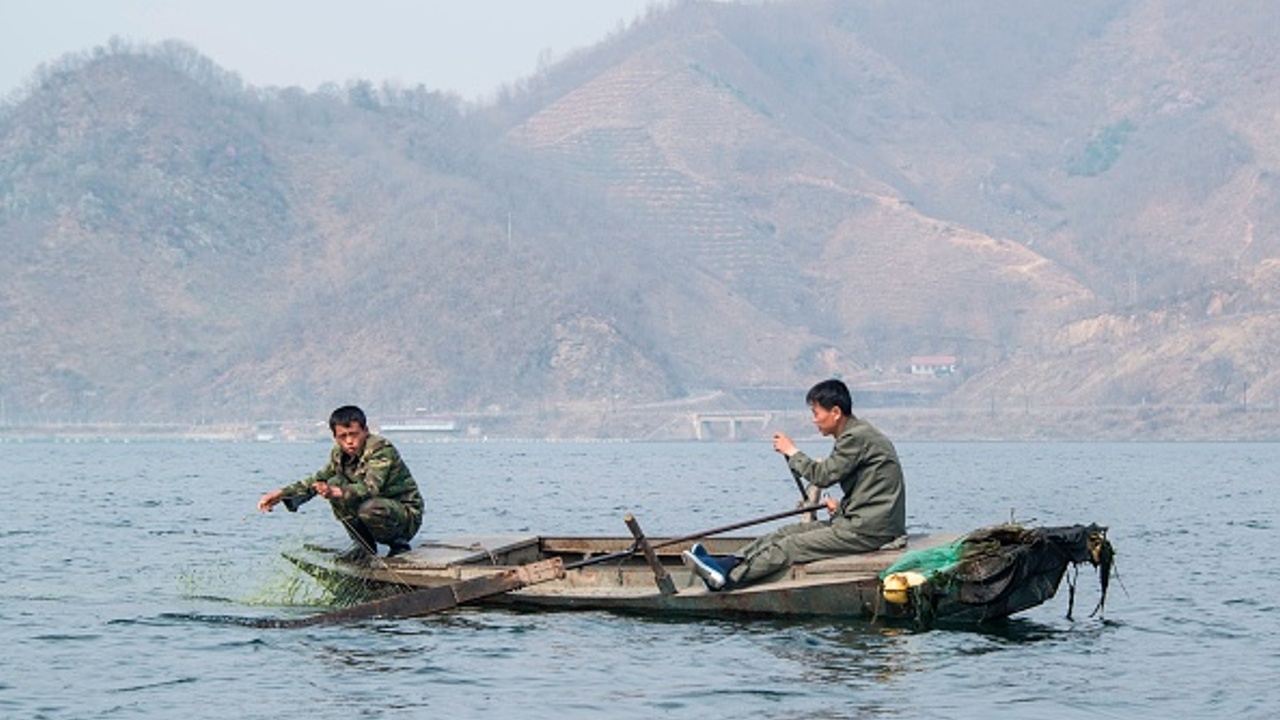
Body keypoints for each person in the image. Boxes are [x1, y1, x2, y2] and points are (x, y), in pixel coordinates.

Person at [682, 379, 906, 590]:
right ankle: (727, 563)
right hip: (863, 523)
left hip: (870, 531)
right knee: (784, 533)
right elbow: (871, 490)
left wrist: (792, 451)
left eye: (816, 413)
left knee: (791, 546)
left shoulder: (855, 437)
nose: (814, 419)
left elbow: (822, 476)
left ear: (836, 413)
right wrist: (841, 509)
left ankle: (727, 579)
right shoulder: (858, 433)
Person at [258, 405, 423, 560]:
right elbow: (319, 479)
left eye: (354, 434)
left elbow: (371, 488)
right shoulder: (339, 454)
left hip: (404, 515)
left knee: (367, 506)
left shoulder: (380, 450)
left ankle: (399, 545)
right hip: (377, 511)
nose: (349, 441)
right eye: (343, 436)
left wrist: (336, 491)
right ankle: (364, 547)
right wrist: (281, 494)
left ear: (365, 431)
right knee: (334, 480)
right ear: (335, 437)